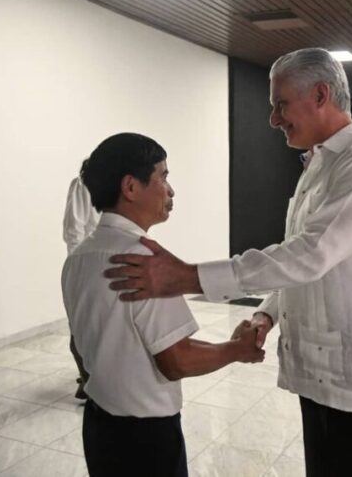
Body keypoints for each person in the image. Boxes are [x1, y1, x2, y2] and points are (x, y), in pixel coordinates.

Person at [104, 49, 352, 477]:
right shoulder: (319, 166)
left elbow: (310, 256)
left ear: (321, 95)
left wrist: (187, 276)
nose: (274, 119)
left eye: (280, 104)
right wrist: (267, 313)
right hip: (326, 377)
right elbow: (306, 260)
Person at [61, 133, 264, 477]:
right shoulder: (144, 264)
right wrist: (236, 350)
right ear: (130, 187)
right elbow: (176, 360)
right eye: (163, 177)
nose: (171, 191)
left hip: (98, 429)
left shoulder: (78, 258)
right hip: (145, 443)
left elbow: (81, 349)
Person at [63, 173, 101, 399]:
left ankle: (93, 378)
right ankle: (87, 381)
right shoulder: (84, 183)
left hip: (109, 263)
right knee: (79, 327)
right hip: (86, 265)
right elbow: (73, 230)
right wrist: (79, 267)